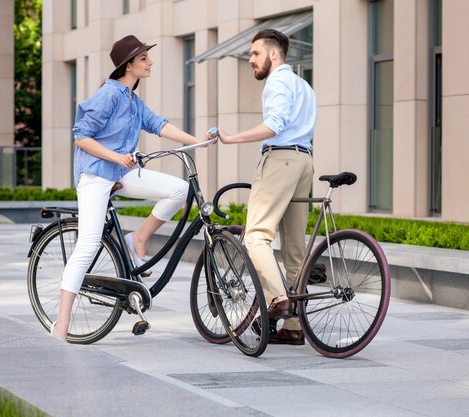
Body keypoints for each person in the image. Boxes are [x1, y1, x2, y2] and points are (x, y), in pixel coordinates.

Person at [51, 35, 210, 341]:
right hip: (97, 174)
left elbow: (159, 125)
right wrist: (116, 157)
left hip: (124, 172)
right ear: (129, 65)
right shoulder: (110, 93)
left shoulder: (133, 100)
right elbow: (81, 136)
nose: (150, 63)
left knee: (178, 190)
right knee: (87, 245)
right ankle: (61, 323)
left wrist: (197, 140)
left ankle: (139, 237)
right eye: (144, 59)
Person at [218, 29, 316, 345]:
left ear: (274, 54)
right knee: (294, 249)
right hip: (305, 162)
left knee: (256, 236)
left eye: (255, 53)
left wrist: (231, 138)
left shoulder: (277, 82)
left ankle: (277, 300)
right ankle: (293, 327)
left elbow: (274, 125)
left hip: (280, 160)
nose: (251, 60)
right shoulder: (304, 85)